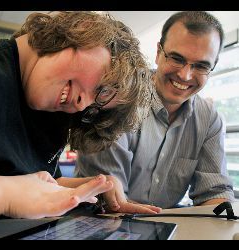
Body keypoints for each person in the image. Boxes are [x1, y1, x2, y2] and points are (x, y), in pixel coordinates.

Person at [0, 11, 161, 219]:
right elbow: (15, 189)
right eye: (103, 89)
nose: (82, 106)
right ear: (84, 29)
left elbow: (36, 182)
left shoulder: (52, 113)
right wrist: (5, 195)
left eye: (95, 108)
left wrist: (91, 187)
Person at [75, 11, 235, 210]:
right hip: (98, 223)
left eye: (201, 66)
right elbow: (110, 201)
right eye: (177, 58)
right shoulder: (116, 97)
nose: (185, 75)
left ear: (212, 68)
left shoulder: (210, 120)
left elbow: (215, 195)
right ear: (159, 52)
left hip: (164, 228)